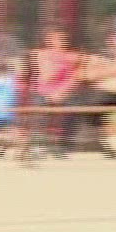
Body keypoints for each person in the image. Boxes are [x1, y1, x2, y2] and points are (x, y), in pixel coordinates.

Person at [29, 26, 84, 156]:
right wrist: (60, 60)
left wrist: (61, 93)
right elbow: (46, 77)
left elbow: (76, 78)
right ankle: (39, 145)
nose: (61, 42)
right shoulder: (40, 54)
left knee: (72, 108)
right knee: (41, 106)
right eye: (56, 39)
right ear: (48, 40)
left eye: (63, 39)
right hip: (44, 92)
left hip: (66, 92)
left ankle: (64, 146)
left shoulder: (75, 56)